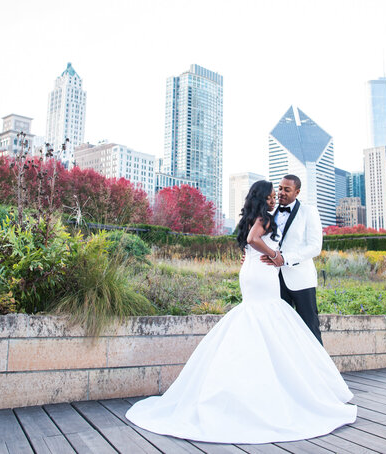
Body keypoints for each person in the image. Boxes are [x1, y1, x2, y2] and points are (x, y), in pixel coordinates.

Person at [125, 180, 357, 444]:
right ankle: (284, 391)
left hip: (287, 276)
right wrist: (274, 254)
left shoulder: (289, 213)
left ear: (297, 192)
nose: (278, 196)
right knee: (272, 326)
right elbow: (252, 240)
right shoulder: (265, 218)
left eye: (282, 191)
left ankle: (309, 385)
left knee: (296, 330)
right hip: (267, 275)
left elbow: (312, 246)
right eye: (274, 193)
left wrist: (279, 257)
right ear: (265, 196)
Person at [260, 174, 324, 343]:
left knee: (310, 328)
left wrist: (285, 258)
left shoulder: (309, 212)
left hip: (301, 279)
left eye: (287, 190)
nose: (281, 193)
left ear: (297, 192)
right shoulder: (269, 212)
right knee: (280, 329)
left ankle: (318, 369)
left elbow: (315, 247)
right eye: (280, 188)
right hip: (274, 278)